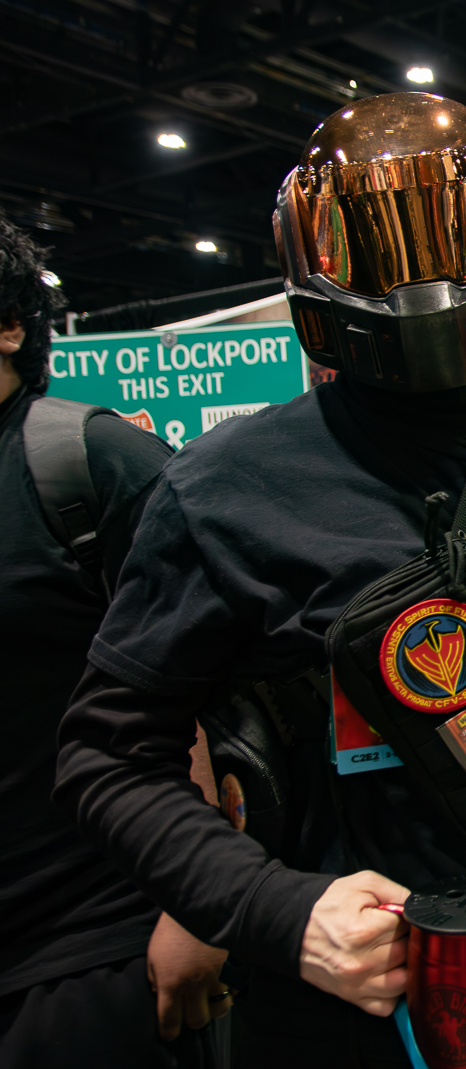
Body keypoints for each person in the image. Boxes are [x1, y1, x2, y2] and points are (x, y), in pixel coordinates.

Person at [54, 93, 466, 1069]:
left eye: (453, 238)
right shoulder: (226, 491)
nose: (427, 287)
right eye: (386, 250)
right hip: (357, 1031)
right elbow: (108, 753)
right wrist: (278, 910)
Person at [0, 213, 231, 1065]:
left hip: (92, 935)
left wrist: (199, 897)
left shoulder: (87, 460)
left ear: (9, 327)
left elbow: (211, 686)